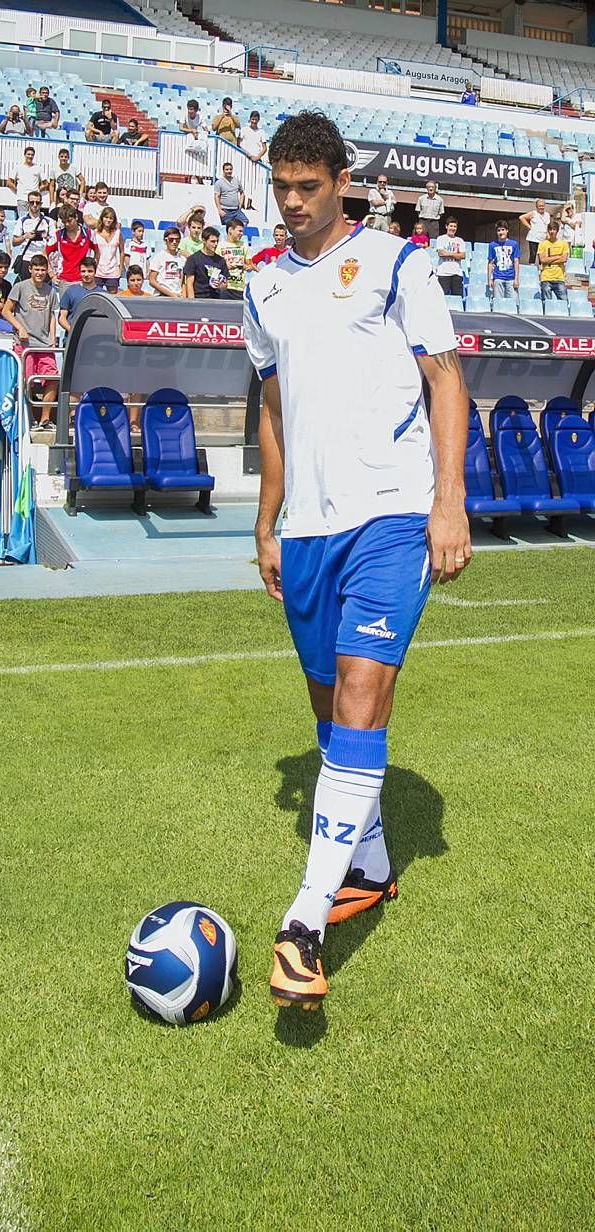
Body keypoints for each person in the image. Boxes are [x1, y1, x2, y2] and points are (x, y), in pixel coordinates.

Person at [242, 110, 469, 1011]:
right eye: (281, 187)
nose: (292, 203)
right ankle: (369, 867)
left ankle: (303, 921)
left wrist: (448, 503)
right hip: (307, 528)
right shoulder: (262, 289)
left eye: (308, 187)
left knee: (365, 687)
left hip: (392, 511)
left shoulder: (397, 263)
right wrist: (265, 525)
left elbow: (447, 378)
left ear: (342, 182)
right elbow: (273, 410)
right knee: (330, 710)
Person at [1, 252, 60, 429]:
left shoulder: (51, 291)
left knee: (53, 379)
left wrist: (53, 338)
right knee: (26, 381)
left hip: (44, 344)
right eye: (37, 269)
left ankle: (45, 419)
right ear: (30, 269)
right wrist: (20, 327)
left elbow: (51, 316)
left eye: (43, 269)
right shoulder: (20, 286)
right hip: (24, 344)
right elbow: (6, 311)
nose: (40, 273)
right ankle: (28, 418)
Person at [46, 204, 95, 292]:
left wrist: (92, 270)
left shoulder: (88, 233)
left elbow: (98, 252)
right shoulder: (58, 235)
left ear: (76, 217)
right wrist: (51, 274)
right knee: (65, 306)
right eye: (64, 222)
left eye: (69, 221)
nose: (67, 224)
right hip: (64, 280)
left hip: (83, 280)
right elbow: (45, 254)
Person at [11, 192, 55, 281]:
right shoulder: (22, 220)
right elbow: (14, 242)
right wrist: (25, 236)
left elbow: (54, 242)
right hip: (27, 258)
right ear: (28, 204)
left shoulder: (49, 221)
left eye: (37, 203)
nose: (35, 205)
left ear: (41, 204)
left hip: (43, 258)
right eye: (32, 202)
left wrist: (46, 237)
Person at [183, 226, 228, 299]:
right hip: (199, 298)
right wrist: (192, 302)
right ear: (204, 240)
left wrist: (221, 285)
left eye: (217, 241)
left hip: (216, 300)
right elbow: (189, 283)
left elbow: (225, 285)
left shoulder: (221, 260)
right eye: (212, 241)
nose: (216, 244)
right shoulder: (193, 259)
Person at [57, 255, 98, 332]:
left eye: (90, 271)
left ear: (95, 272)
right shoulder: (70, 291)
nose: (86, 274)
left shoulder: (102, 294)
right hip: (72, 337)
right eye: (83, 271)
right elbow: (62, 318)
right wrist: (72, 331)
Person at [219, 218, 253, 299]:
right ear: (230, 230)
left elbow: (250, 265)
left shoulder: (244, 245)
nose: (241, 234)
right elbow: (214, 265)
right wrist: (225, 266)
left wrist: (248, 267)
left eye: (242, 231)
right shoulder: (220, 246)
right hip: (225, 287)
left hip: (239, 288)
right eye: (239, 231)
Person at [148, 228, 186, 297]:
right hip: (162, 296)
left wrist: (183, 295)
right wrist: (171, 294)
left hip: (178, 296)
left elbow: (182, 281)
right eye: (171, 240)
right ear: (165, 241)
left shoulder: (182, 259)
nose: (174, 242)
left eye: (177, 240)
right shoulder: (159, 257)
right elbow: (152, 281)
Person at [92, 207, 123, 292]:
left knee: (113, 297)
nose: (108, 220)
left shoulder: (118, 233)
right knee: (97, 296)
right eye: (106, 217)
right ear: (102, 218)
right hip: (98, 270)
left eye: (111, 218)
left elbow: (122, 251)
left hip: (113, 271)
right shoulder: (95, 233)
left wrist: (120, 270)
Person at [6, 146, 44, 216]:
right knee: (23, 219)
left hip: (34, 200)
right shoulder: (18, 167)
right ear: (25, 155)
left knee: (34, 219)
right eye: (28, 154)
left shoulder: (38, 168)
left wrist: (38, 191)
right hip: (22, 199)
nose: (30, 156)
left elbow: (45, 183)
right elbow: (9, 182)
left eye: (32, 155)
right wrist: (17, 191)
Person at [487, 220, 520, 301]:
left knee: (513, 303)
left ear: (507, 231)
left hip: (511, 278)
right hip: (498, 277)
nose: (501, 232)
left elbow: (516, 262)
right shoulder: (492, 245)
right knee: (498, 302)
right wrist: (490, 279)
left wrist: (516, 279)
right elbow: (490, 263)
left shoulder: (514, 244)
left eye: (503, 230)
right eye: (498, 230)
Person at [538, 219, 568, 302]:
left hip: (559, 278)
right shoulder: (542, 244)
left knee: (563, 301)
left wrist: (548, 259)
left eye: (554, 229)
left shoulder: (563, 244)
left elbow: (564, 259)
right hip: (546, 277)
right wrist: (558, 257)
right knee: (547, 303)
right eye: (550, 229)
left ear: (557, 231)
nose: (552, 231)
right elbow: (542, 260)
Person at [436, 217, 466, 296]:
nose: (453, 228)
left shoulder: (460, 240)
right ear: (446, 226)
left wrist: (448, 253)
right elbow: (441, 254)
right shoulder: (441, 239)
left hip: (457, 273)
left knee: (457, 298)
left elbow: (463, 255)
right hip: (443, 273)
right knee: (442, 297)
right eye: (451, 226)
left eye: (454, 226)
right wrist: (456, 254)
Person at [214, 163, 248, 227]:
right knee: (228, 228)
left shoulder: (236, 181)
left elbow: (242, 193)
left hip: (236, 210)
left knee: (244, 221)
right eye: (227, 169)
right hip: (225, 210)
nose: (229, 171)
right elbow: (216, 197)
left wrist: (240, 205)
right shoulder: (219, 183)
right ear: (223, 171)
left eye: (230, 169)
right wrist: (219, 210)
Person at [520, 198, 551, 264]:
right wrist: (529, 226)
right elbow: (521, 217)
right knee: (533, 254)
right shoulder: (533, 213)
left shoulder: (547, 215)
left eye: (542, 206)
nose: (541, 207)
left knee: (542, 255)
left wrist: (548, 234)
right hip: (533, 238)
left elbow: (547, 225)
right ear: (537, 207)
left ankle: (541, 269)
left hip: (543, 238)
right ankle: (532, 269)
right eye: (539, 206)